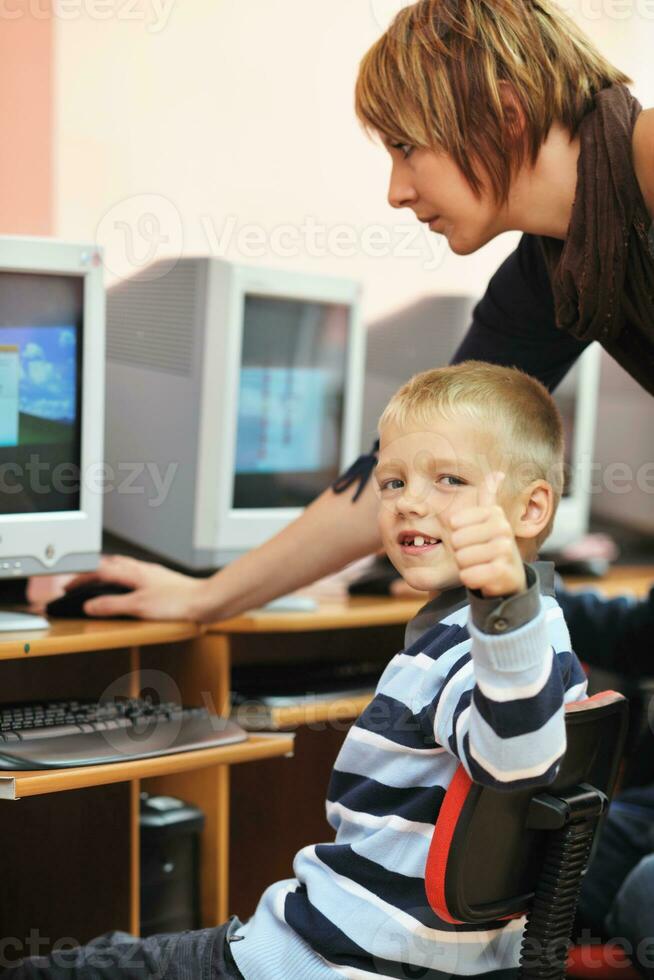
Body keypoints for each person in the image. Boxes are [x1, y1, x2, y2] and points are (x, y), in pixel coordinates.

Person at [65, 0, 654, 624]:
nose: (396, 191)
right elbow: (399, 464)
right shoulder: (550, 275)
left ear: (505, 115)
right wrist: (206, 597)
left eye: (406, 148)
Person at [4, 361, 588, 979]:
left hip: (327, 961)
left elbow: (520, 757)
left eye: (449, 479)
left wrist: (502, 609)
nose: (410, 502)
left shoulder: (496, 644)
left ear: (530, 511)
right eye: (392, 482)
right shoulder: (539, 628)